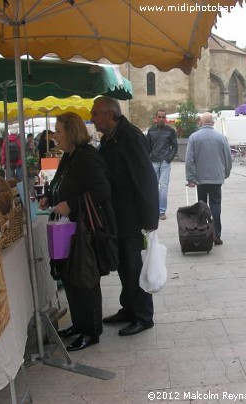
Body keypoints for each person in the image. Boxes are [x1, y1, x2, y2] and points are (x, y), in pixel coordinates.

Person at [39, 112, 111, 351]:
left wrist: (71, 203)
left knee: (85, 278)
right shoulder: (69, 156)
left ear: (71, 131)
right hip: (68, 229)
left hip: (84, 230)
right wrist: (49, 196)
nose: (54, 136)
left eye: (58, 131)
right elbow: (60, 183)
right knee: (70, 277)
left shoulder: (87, 157)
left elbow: (102, 190)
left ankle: (91, 331)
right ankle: (79, 324)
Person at [91, 96, 159, 336]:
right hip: (118, 215)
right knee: (123, 265)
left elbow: (145, 178)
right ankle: (128, 308)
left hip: (133, 217)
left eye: (95, 113)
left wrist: (149, 220)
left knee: (134, 266)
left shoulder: (129, 136)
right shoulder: (111, 137)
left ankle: (143, 315)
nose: (92, 118)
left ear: (110, 114)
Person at [185, 112, 232, 246]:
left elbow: (189, 160)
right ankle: (216, 234)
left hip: (200, 179)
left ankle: (203, 232)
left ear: (201, 122)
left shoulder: (194, 137)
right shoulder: (221, 138)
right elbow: (228, 158)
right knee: (216, 205)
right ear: (213, 122)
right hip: (216, 178)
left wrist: (190, 178)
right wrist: (225, 173)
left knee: (202, 206)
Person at [147, 109, 178, 220]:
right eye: (159, 117)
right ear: (156, 117)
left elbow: (175, 146)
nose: (161, 119)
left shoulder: (170, 130)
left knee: (163, 187)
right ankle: (154, 209)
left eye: (163, 117)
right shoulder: (151, 131)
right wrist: (148, 159)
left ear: (165, 118)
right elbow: (147, 147)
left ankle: (161, 211)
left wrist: (169, 159)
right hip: (154, 161)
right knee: (153, 187)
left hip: (165, 162)